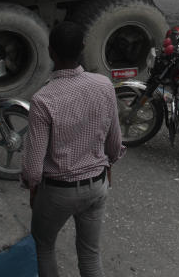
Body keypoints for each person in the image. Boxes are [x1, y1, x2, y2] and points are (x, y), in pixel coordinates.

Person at [22, 22, 124, 277]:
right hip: (97, 186)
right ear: (82, 48)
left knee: (43, 247)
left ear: (51, 52)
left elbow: (34, 170)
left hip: (59, 191)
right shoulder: (104, 85)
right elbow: (114, 143)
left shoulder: (43, 100)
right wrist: (106, 166)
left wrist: (33, 188)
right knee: (90, 253)